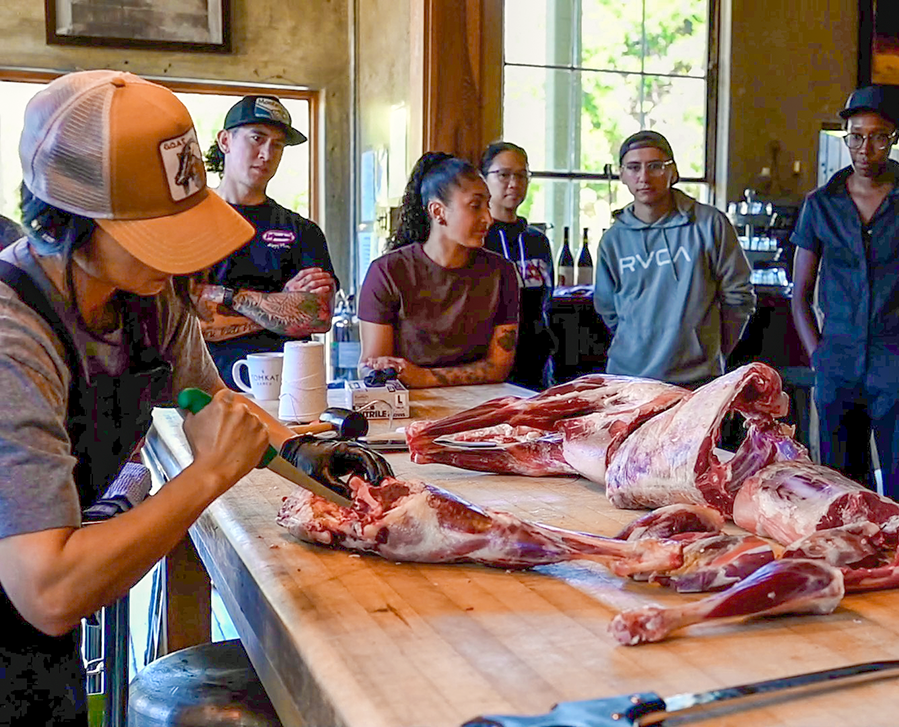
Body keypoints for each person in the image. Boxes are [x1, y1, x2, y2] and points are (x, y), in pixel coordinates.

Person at [0, 71, 389, 725]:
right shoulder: (15, 335)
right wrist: (207, 476)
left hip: (43, 639)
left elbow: (212, 401)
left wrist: (307, 453)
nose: (179, 259)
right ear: (70, 221)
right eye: (156, 231)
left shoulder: (151, 299)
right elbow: (48, 589)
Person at [790, 86, 899, 508]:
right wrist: (818, 356)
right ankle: (853, 572)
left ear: (895, 137)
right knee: (842, 495)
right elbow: (800, 295)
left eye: (878, 137)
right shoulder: (821, 204)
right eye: (856, 136)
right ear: (845, 135)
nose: (865, 148)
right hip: (837, 362)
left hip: (896, 359)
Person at [594, 130, 755, 387]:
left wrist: (709, 350)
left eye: (655, 166)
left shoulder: (710, 224)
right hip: (626, 379)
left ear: (673, 172)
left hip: (697, 381)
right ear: (622, 175)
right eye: (633, 168)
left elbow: (739, 298)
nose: (644, 177)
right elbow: (608, 309)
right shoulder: (613, 240)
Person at [196, 95, 337, 387]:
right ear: (225, 141)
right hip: (202, 391)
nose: (266, 153)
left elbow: (317, 317)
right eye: (257, 138)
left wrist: (229, 297)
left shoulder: (302, 231)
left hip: (288, 396)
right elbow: (185, 321)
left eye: (277, 144)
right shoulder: (186, 221)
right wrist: (283, 309)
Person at [357, 152, 519, 388]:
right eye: (475, 206)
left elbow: (499, 367)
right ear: (437, 211)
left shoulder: (502, 273)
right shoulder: (387, 272)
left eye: (488, 205)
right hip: (409, 407)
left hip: (482, 405)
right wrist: (384, 371)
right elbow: (373, 364)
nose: (488, 218)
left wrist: (424, 377)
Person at [480, 141, 556, 390]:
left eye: (522, 175)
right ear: (484, 179)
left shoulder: (537, 240)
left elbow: (547, 300)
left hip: (536, 366)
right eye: (503, 174)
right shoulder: (476, 238)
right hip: (487, 365)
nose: (514, 183)